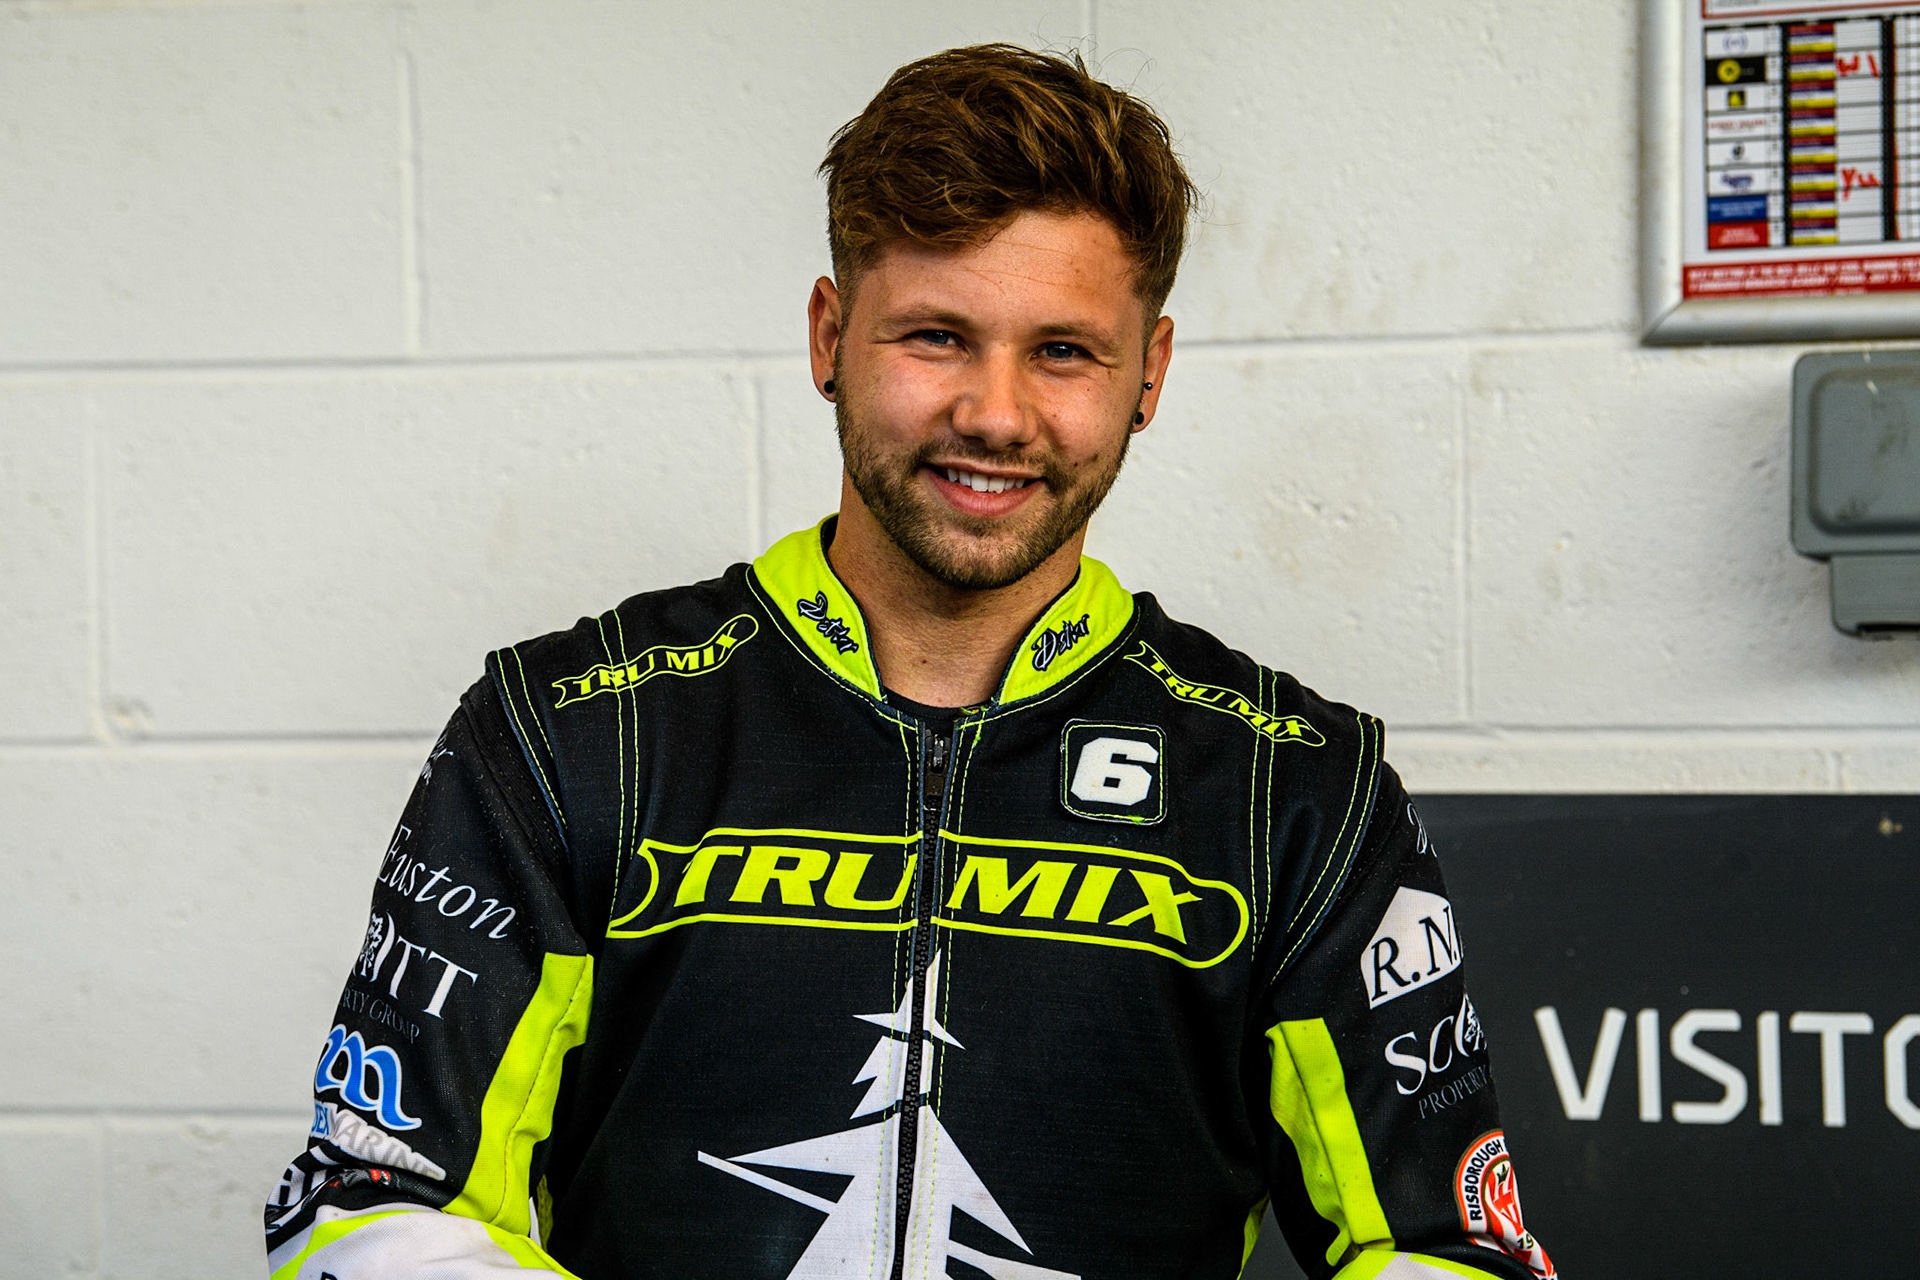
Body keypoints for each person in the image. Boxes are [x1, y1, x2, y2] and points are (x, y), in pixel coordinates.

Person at [263, 43, 1554, 1280]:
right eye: (936, 336)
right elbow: (372, 1203)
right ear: (830, 337)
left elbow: (1445, 1249)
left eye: (1063, 351)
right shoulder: (566, 734)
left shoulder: (1295, 791)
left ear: (1148, 372)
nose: (995, 412)